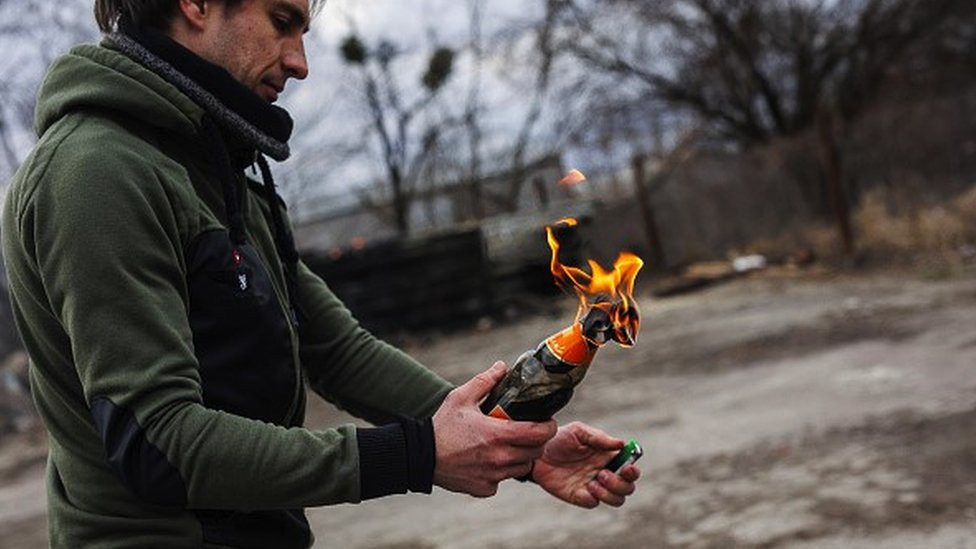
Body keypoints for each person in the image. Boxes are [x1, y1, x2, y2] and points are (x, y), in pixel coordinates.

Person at [1, 0, 641, 547]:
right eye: (282, 21)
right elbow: (160, 442)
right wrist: (417, 454)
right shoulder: (96, 174)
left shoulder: (211, 169)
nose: (300, 62)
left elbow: (337, 350)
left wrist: (512, 443)